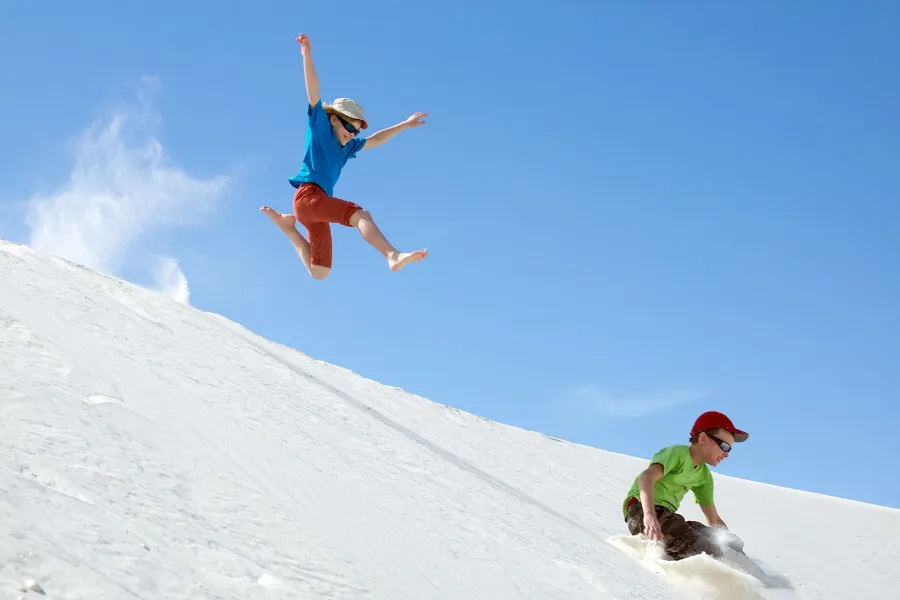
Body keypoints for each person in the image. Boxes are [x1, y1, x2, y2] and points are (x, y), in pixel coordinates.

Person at [260, 33, 428, 280]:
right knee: (360, 215)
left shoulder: (347, 148)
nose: (353, 135)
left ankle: (288, 228)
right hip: (309, 197)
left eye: (356, 131)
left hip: (314, 208)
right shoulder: (320, 128)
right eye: (349, 128)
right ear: (334, 119)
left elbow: (377, 139)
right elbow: (313, 92)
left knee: (319, 272)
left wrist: (404, 124)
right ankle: (391, 255)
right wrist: (306, 55)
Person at [621, 411, 749, 561]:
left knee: (723, 542)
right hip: (641, 510)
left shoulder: (704, 476)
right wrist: (649, 515)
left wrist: (731, 544)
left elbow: (713, 519)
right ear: (703, 438)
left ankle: (753, 574)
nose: (727, 454)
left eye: (730, 449)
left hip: (667, 516)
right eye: (724, 446)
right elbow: (647, 477)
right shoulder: (678, 454)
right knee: (706, 549)